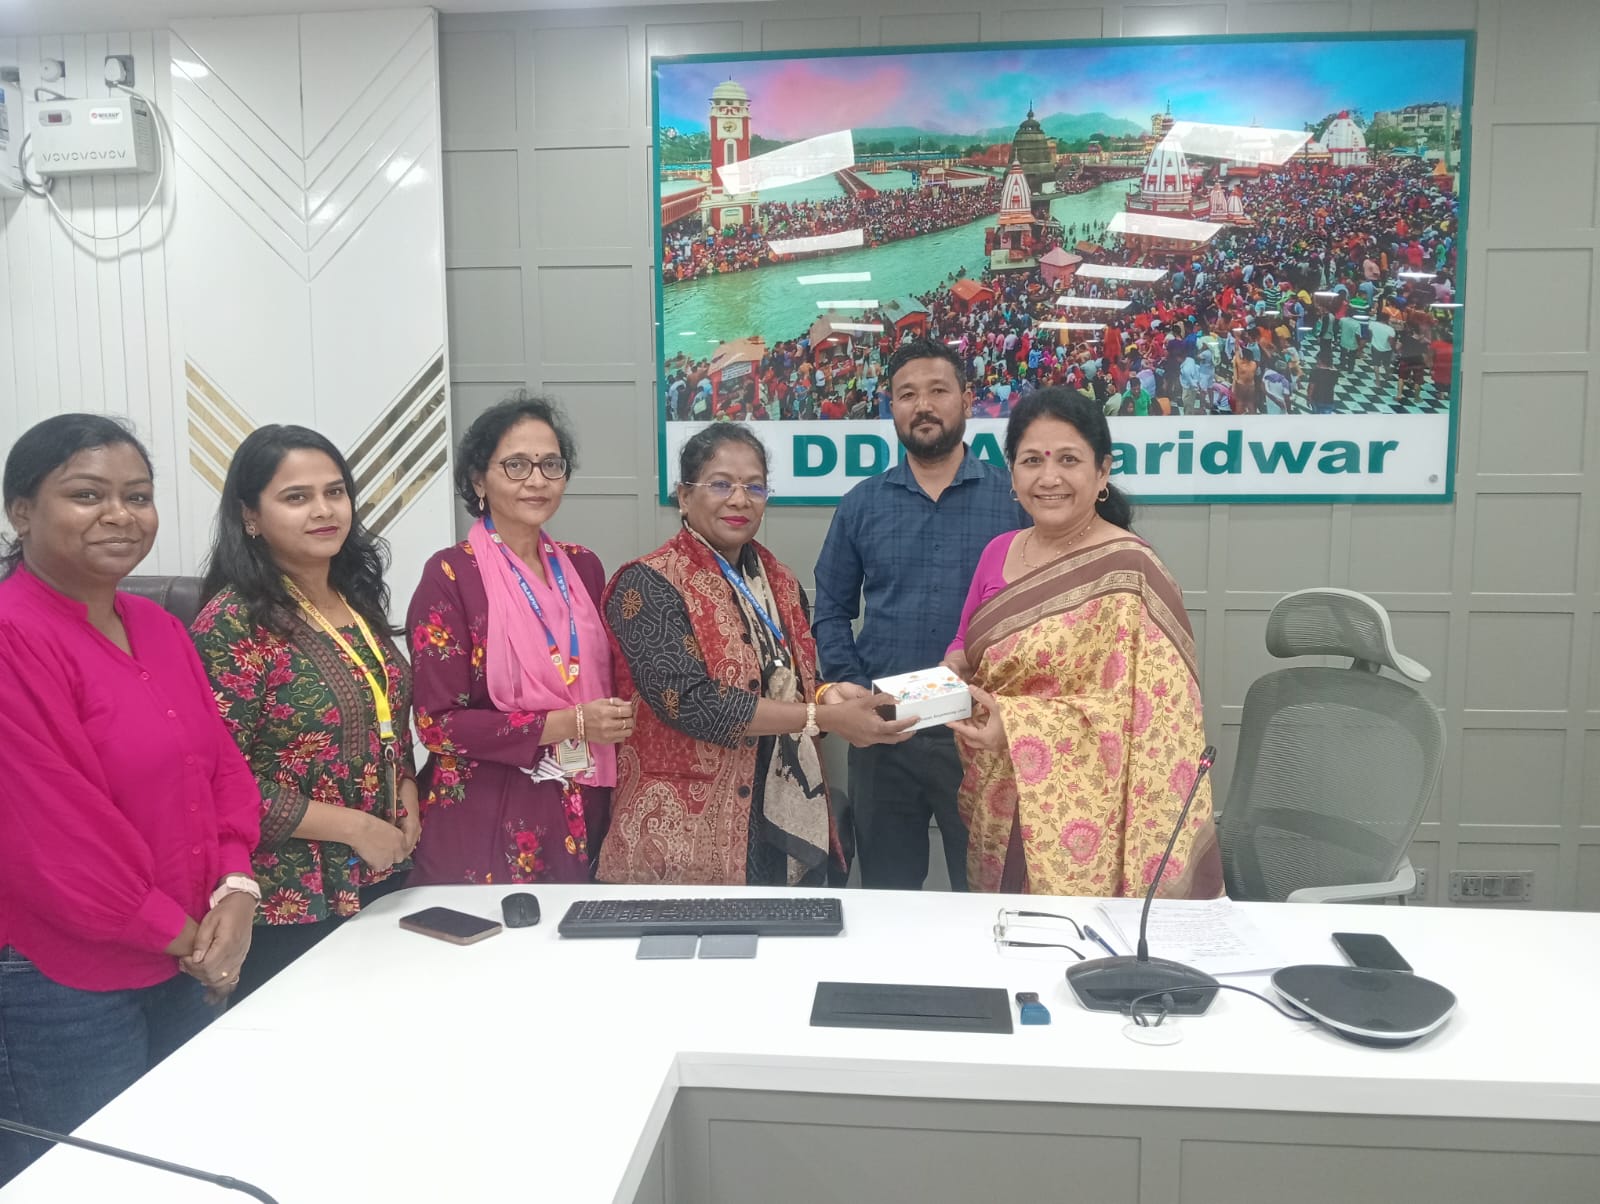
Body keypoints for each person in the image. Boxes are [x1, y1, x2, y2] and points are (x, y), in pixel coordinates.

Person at [0, 415, 260, 1186]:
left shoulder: (157, 625)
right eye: (87, 495)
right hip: (66, 984)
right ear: (21, 511)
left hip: (183, 953)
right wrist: (194, 940)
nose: (120, 515)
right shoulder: (13, 636)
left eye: (138, 497)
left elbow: (220, 770)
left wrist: (237, 887)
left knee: (183, 1166)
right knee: (89, 1184)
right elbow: (53, 838)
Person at [601, 426, 912, 885]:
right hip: (681, 834)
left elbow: (786, 677)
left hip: (774, 816)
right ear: (684, 497)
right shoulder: (648, 584)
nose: (739, 500)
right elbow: (692, 703)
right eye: (721, 484)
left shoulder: (779, 581)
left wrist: (826, 695)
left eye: (755, 486)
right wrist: (822, 717)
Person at [944, 389, 1222, 898]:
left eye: (1068, 460)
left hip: (1092, 817)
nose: (1048, 477)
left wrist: (1020, 726)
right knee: (1002, 931)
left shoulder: (1131, 571)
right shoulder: (998, 551)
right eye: (1032, 460)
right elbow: (968, 643)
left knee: (1071, 939)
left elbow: (1157, 720)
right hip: (998, 798)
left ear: (1102, 471)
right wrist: (952, 671)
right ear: (1012, 474)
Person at [192, 425, 417, 1000]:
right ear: (250, 516)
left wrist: (407, 789)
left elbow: (385, 715)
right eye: (297, 497)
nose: (324, 510)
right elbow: (217, 781)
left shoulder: (354, 597)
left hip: (379, 874)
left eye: (334, 492)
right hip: (289, 896)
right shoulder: (233, 622)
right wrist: (356, 827)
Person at [812, 337, 1028, 890]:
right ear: (892, 407)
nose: (923, 406)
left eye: (938, 391)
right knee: (887, 894)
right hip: (885, 733)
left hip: (980, 732)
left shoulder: (1013, 501)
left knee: (987, 893)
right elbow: (831, 608)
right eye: (907, 395)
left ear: (968, 400)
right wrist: (849, 688)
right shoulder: (862, 504)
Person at [407, 393, 631, 885]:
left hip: (583, 795)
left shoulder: (584, 566)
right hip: (489, 811)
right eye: (516, 465)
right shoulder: (451, 575)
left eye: (551, 464)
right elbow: (437, 726)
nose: (537, 480)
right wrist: (569, 722)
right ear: (477, 480)